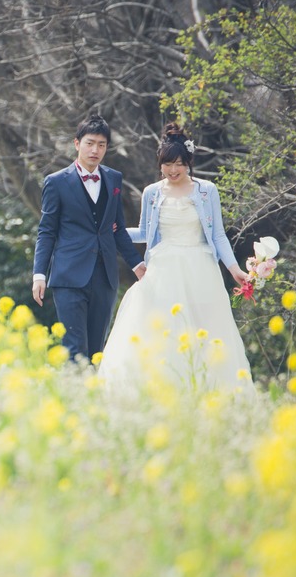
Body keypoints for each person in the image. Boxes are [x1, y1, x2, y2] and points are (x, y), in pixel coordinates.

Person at [97, 122, 252, 390]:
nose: (173, 170)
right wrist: (116, 231)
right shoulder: (152, 192)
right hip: (163, 269)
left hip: (200, 266)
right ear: (160, 164)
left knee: (205, 332)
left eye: (179, 163)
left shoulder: (206, 191)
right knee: (161, 331)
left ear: (189, 163)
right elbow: (146, 232)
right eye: (168, 164)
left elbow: (218, 235)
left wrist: (234, 269)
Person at [32, 115, 146, 362]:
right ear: (77, 144)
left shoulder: (114, 178)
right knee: (74, 349)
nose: (95, 150)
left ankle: (92, 399)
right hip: (68, 277)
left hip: (104, 277)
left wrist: (137, 264)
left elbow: (117, 228)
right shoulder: (56, 182)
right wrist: (39, 274)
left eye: (102, 145)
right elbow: (47, 231)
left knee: (97, 351)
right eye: (90, 143)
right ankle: (75, 399)